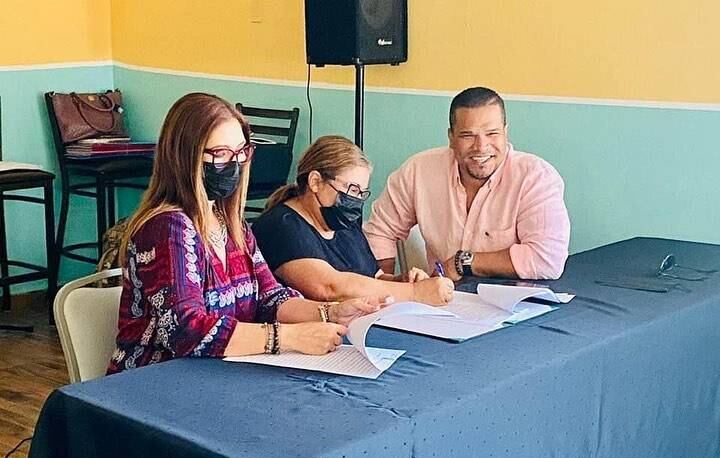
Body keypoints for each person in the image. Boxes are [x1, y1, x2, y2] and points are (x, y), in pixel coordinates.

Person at [108, 94, 389, 374]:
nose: (235, 164)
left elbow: (270, 299)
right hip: (154, 381)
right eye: (221, 153)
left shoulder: (232, 225)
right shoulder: (168, 227)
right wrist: (289, 337)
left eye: (241, 152)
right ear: (185, 157)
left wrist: (329, 312)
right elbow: (186, 331)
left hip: (219, 375)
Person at [364, 87, 571, 281]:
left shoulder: (535, 177)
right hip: (444, 299)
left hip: (516, 300)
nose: (481, 147)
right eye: (467, 135)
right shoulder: (418, 171)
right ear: (451, 138)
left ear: (505, 132)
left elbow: (548, 259)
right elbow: (380, 231)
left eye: (492, 134)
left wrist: (461, 263)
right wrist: (384, 287)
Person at [252, 135, 454, 305]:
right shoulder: (281, 226)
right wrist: (415, 293)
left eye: (361, 193)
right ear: (315, 182)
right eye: (351, 189)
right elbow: (329, 288)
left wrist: (405, 281)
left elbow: (374, 278)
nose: (355, 200)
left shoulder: (343, 224)